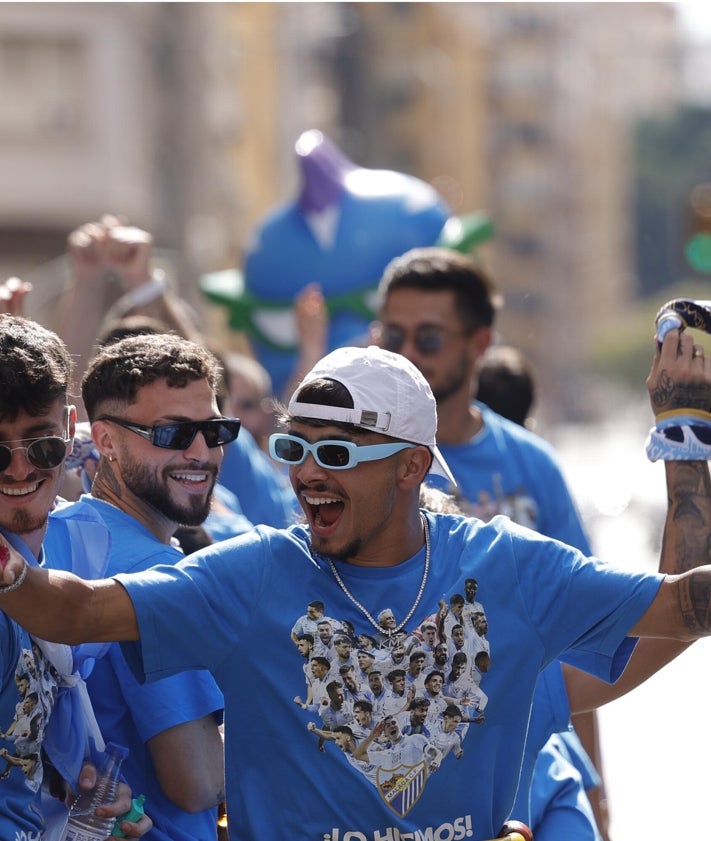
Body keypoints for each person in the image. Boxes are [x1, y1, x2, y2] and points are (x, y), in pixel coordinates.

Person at [0, 336, 710, 841]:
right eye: (294, 447)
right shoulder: (250, 574)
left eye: (334, 452)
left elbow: (676, 607)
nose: (306, 472)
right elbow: (75, 609)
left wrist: (684, 443)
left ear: (411, 467)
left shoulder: (508, 568)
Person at [372, 246, 608, 833]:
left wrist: (597, 794)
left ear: (479, 343)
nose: (404, 356)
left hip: (530, 767)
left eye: (428, 339)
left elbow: (585, 641)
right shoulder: (354, 463)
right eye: (391, 335)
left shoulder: (533, 466)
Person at [43, 332, 230, 841]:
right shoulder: (157, 571)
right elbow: (198, 781)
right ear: (104, 440)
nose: (201, 452)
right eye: (172, 433)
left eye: (214, 431)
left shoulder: (49, 534)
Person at [0, 314, 153, 839]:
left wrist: (77, 805)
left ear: (68, 430)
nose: (19, 470)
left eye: (40, 445)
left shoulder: (60, 559)